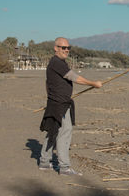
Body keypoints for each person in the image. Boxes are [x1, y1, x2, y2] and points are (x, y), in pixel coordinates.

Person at [39, 37, 102, 175]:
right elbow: (74, 77)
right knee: (65, 131)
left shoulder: (57, 62)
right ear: (56, 48)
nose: (66, 50)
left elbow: (47, 82)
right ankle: (65, 167)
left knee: (53, 130)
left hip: (57, 101)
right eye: (63, 48)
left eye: (68, 48)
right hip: (59, 104)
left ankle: (44, 162)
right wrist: (93, 84)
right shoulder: (57, 62)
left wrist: (51, 97)